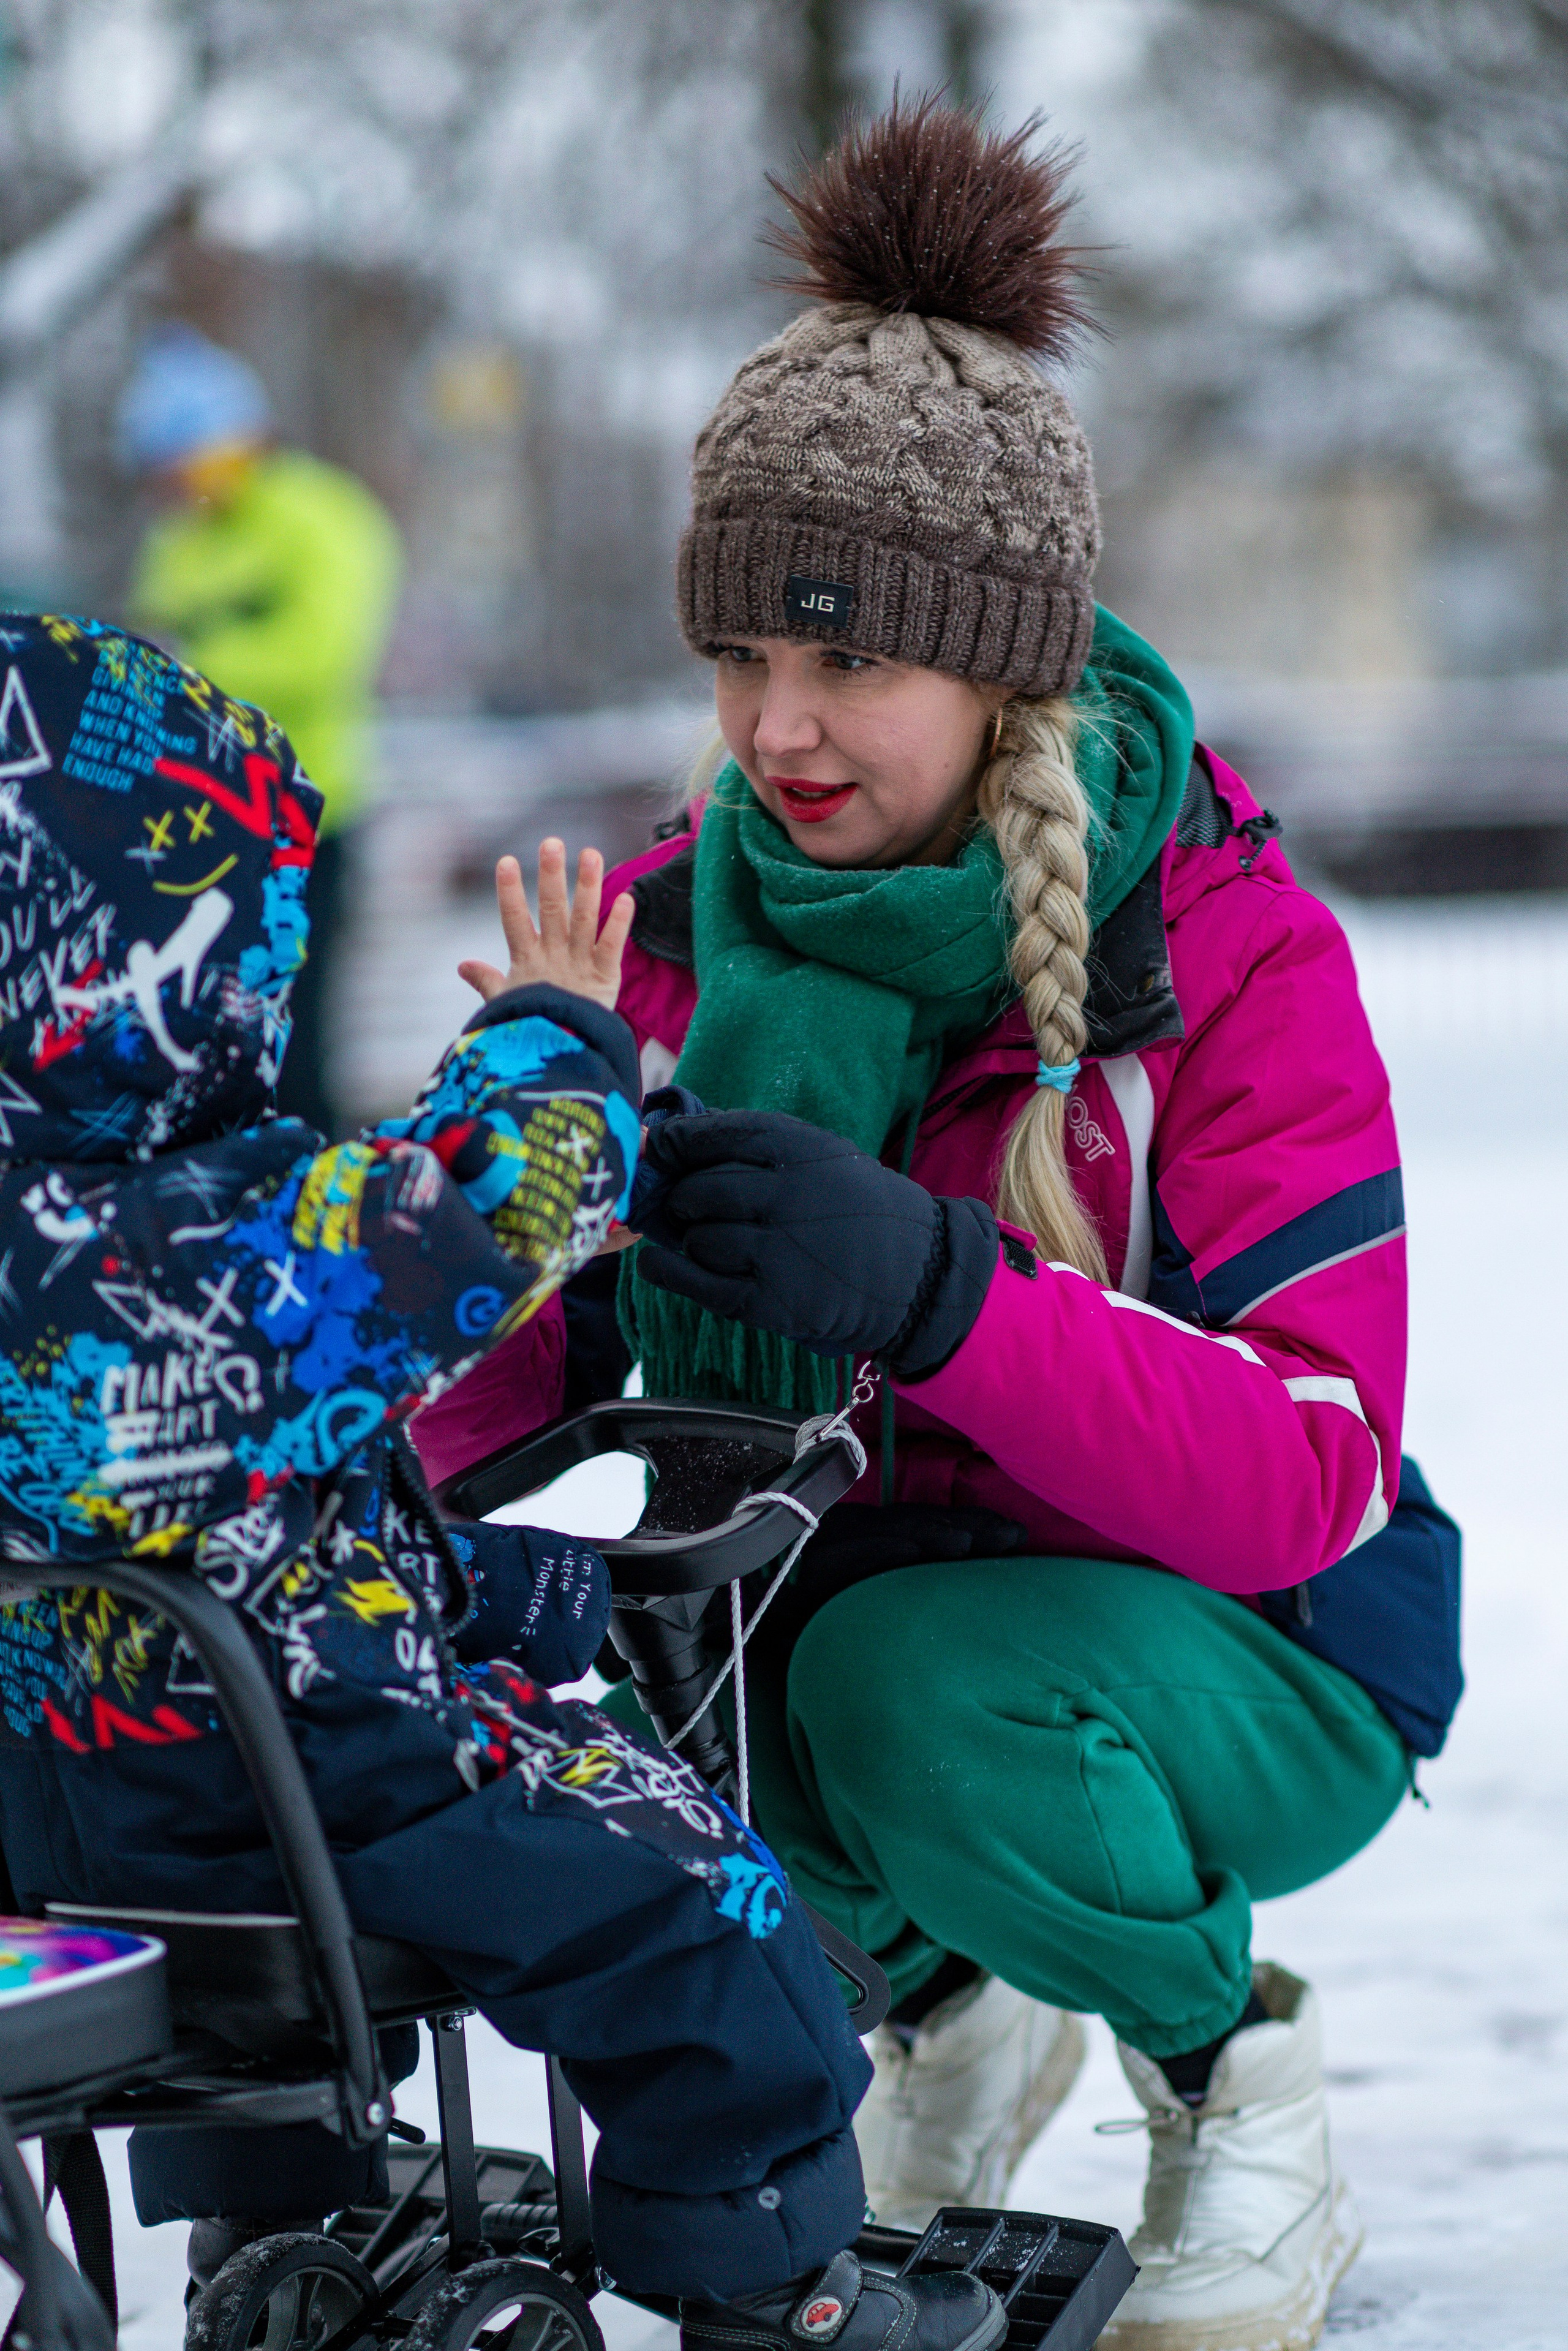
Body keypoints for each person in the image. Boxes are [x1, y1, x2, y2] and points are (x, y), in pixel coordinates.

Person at [413, 101, 1462, 2351]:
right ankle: (949, 2012)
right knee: (603, 1687)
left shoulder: (1233, 949)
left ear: (1001, 667)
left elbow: (1313, 1464)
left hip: (1252, 1649)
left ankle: (1232, 2070)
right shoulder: (667, 938)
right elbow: (485, 1410)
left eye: (849, 666)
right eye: (735, 665)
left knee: (902, 1684)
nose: (773, 732)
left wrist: (928, 1280)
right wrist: (509, 1198)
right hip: (840, 1600)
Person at [0, 614, 1008, 2351]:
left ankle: (272, 2233)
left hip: (80, 1826)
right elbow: (482, 1214)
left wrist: (526, 1588)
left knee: (226, 1893)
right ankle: (774, 2266)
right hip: (328, 1785)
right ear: (137, 970)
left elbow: (269, 1505)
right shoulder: (185, 1242)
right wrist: (559, 1034)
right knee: (696, 1899)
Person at [116, 323, 404, 1137]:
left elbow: (325, 651)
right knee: (199, 1028)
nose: (166, 487)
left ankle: (302, 1185)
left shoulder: (323, 516)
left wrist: (193, 662)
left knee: (297, 1035)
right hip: (193, 824)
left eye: (174, 464)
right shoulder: (181, 536)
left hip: (306, 819)